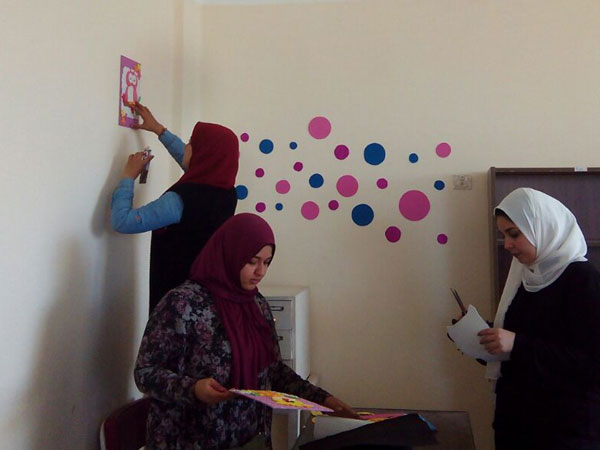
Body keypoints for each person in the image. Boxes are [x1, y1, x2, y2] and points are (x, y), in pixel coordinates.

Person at [134, 213, 358, 450]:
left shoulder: (256, 304)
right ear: (230, 254)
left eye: (267, 262)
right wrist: (193, 389)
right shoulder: (182, 304)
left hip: (251, 439)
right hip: (188, 441)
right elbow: (145, 373)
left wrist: (323, 399)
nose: (261, 271)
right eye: (252, 261)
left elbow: (273, 370)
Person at [477, 187, 600, 450]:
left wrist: (516, 344)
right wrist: (482, 337)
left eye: (514, 234)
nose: (507, 245)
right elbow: (519, 344)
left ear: (543, 228)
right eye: (504, 235)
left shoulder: (584, 280)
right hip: (518, 424)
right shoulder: (527, 278)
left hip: (564, 430)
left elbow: (591, 363)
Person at [111, 103, 239, 313]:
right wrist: (159, 130)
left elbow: (122, 222)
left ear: (201, 154)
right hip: (205, 299)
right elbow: (194, 162)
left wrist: (127, 177)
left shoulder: (180, 201)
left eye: (191, 142)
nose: (186, 146)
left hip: (174, 301)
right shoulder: (226, 192)